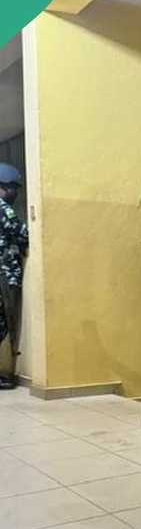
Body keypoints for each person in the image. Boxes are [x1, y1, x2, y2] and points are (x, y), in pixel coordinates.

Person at [0, 164, 27, 391]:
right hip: (5, 273)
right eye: (11, 188)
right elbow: (19, 232)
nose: (14, 193)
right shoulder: (3, 208)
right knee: (4, 322)